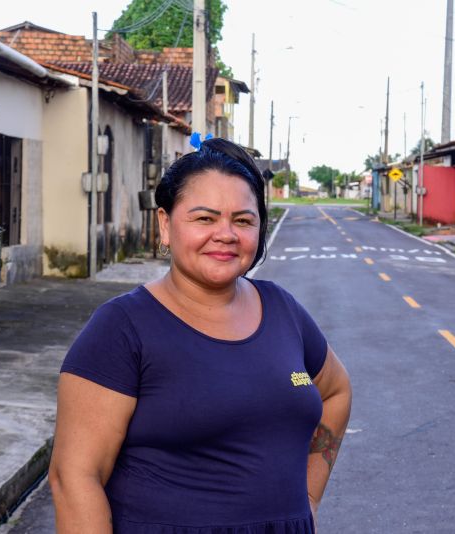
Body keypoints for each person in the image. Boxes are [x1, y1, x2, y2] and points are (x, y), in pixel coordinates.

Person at [49, 138, 353, 533]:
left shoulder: (283, 310)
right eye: (205, 219)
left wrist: (307, 498)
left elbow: (336, 392)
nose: (226, 234)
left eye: (243, 220)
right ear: (165, 224)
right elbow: (73, 479)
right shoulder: (123, 327)